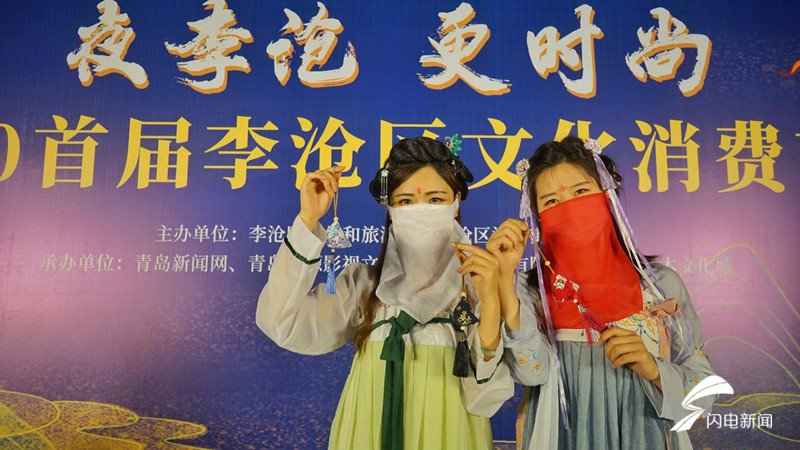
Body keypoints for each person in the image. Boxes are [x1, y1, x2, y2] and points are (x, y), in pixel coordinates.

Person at [256, 136, 514, 450]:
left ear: (456, 202)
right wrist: (308, 219)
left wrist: (490, 301)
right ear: (390, 210)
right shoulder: (363, 286)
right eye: (405, 201)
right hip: (368, 430)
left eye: (435, 199)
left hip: (449, 433)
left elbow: (485, 398)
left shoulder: (474, 287)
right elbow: (282, 322)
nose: (420, 210)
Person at [486, 136, 717, 449]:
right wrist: (504, 278)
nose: (569, 209)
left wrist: (655, 370)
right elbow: (530, 373)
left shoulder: (659, 284)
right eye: (551, 202)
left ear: (608, 195)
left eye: (581, 192)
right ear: (537, 216)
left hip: (646, 434)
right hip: (563, 436)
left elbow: (703, 392)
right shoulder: (531, 290)